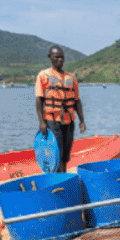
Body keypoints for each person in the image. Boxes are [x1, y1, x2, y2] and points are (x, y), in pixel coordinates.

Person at [35, 45, 86, 173]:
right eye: (56, 57)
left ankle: (64, 175)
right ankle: (59, 178)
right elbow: (39, 100)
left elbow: (77, 101)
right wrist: (42, 122)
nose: (59, 60)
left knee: (66, 154)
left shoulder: (71, 78)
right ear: (50, 57)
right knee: (56, 152)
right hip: (52, 120)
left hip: (69, 121)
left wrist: (82, 120)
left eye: (61, 57)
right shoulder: (43, 75)